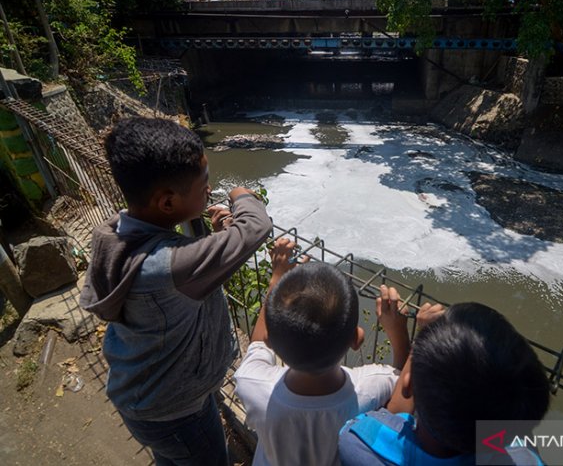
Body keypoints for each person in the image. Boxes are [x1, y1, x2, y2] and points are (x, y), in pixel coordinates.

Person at [79, 117, 273, 465]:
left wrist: (207, 241)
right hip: (177, 411)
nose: (210, 189)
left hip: (142, 395)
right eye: (205, 185)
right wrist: (240, 193)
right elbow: (256, 226)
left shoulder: (116, 236)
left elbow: (179, 276)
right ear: (167, 203)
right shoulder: (171, 267)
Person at [234, 240, 410, 466]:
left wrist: (277, 277)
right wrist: (398, 332)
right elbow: (404, 382)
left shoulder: (253, 383)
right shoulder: (373, 386)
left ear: (272, 342)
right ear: (357, 339)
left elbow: (258, 343)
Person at [339, 303, 551, 466]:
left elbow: (389, 421)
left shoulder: (357, 443)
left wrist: (413, 337)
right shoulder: (523, 458)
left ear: (409, 383)